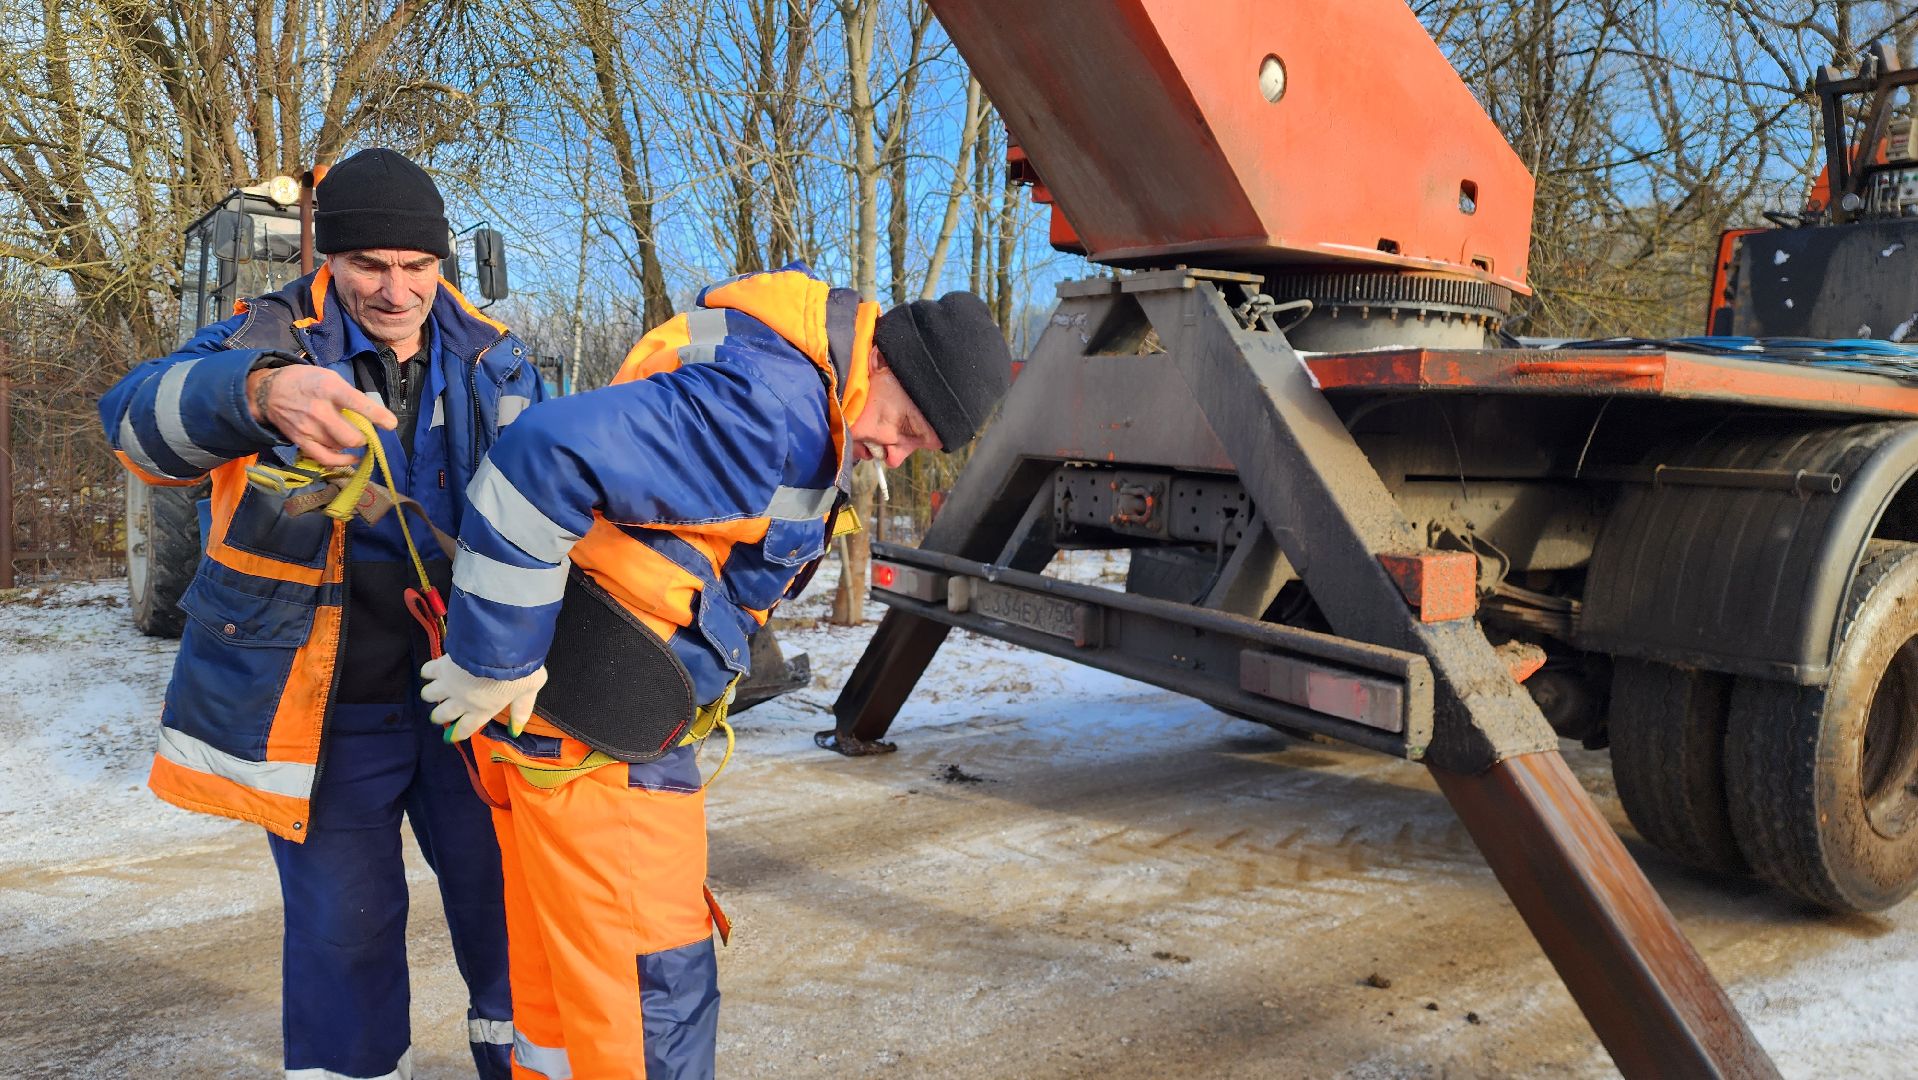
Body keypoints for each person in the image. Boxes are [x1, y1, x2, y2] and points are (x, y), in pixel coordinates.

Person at [415, 265, 1013, 1079]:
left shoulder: (774, 370)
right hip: (606, 740)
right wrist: (494, 657)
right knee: (651, 1005)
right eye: (905, 425)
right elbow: (539, 455)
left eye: (920, 449)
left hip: (568, 726)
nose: (897, 454)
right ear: (880, 362)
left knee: (564, 1005)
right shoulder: (773, 409)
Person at [100, 148, 533, 1079]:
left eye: (416, 265)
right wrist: (258, 395)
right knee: (345, 936)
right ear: (328, 258)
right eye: (369, 264)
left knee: (515, 917)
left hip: (470, 698)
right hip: (330, 708)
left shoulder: (499, 357)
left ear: (443, 261)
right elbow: (131, 425)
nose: (395, 290)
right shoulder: (262, 338)